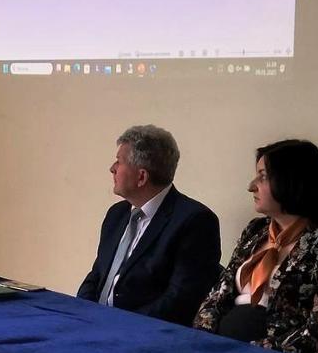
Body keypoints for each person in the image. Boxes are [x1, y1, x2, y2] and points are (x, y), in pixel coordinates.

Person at [195, 140, 318, 353]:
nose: (251, 186)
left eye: (263, 177)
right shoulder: (256, 230)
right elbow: (217, 296)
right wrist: (204, 340)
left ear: (291, 181)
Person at [77, 125, 221, 326]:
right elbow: (97, 275)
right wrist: (80, 312)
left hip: (142, 333)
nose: (112, 168)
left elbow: (180, 300)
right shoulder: (116, 214)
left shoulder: (195, 221)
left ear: (142, 177)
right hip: (95, 324)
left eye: (119, 161)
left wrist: (121, 325)